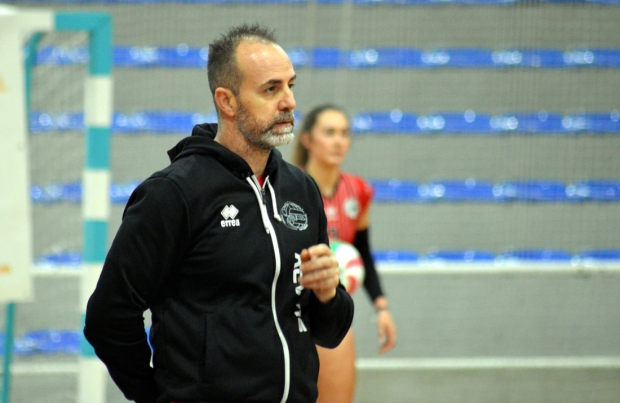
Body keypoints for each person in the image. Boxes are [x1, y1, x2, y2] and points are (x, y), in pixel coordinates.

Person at [84, 25, 354, 403]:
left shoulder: (300, 189)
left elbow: (329, 332)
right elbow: (108, 317)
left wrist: (329, 295)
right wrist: (155, 396)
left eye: (291, 85)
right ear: (227, 101)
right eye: (271, 89)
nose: (290, 101)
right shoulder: (174, 193)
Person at [292, 104, 397, 403]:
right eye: (329, 132)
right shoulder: (286, 187)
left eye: (344, 133)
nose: (339, 141)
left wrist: (381, 307)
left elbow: (362, 252)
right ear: (308, 140)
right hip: (287, 313)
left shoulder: (358, 191)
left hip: (329, 311)